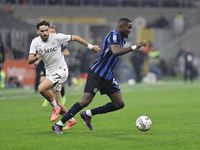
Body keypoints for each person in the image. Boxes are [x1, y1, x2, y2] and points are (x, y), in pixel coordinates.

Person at [52, 18, 146, 134]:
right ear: (120, 26)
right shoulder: (113, 36)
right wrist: (136, 46)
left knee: (119, 103)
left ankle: (88, 114)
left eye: (131, 28)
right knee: (84, 101)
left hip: (107, 76)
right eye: (128, 27)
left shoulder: (121, 38)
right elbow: (115, 51)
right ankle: (59, 124)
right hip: (97, 73)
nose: (130, 30)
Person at [28, 20, 100, 130]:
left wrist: (91, 47)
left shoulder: (57, 37)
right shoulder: (35, 42)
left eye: (46, 30)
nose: (45, 33)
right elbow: (30, 60)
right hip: (50, 73)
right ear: (38, 31)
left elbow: (75, 37)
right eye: (42, 31)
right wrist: (36, 57)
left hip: (61, 71)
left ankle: (55, 108)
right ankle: (71, 120)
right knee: (56, 102)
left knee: (41, 88)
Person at [41, 25, 70, 107]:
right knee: (43, 81)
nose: (52, 33)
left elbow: (67, 52)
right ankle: (49, 98)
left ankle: (62, 97)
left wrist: (58, 54)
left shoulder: (59, 41)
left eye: (53, 31)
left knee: (57, 84)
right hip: (47, 66)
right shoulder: (43, 42)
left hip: (58, 67)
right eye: (51, 31)